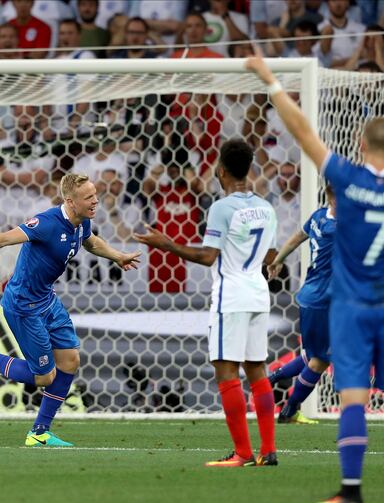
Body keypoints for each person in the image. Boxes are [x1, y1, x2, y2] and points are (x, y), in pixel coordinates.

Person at [247, 48, 384, 503]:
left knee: (351, 397)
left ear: (362, 146)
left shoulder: (346, 179)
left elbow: (303, 131)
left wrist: (270, 80)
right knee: (319, 361)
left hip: (351, 307)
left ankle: (350, 490)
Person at [0, 173, 141, 447]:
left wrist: (118, 256)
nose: (96, 201)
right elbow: (3, 238)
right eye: (89, 197)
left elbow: (91, 242)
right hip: (23, 305)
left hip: (47, 300)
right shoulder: (46, 223)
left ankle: (39, 432)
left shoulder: (81, 222)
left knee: (70, 361)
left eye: (95, 195)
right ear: (70, 202)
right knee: (44, 377)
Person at [135, 139, 279, 467]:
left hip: (232, 296)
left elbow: (207, 255)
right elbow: (270, 256)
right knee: (257, 369)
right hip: (259, 294)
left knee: (226, 370)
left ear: (221, 170)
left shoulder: (221, 208)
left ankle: (243, 452)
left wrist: (166, 244)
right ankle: (267, 450)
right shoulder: (266, 207)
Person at [267, 184, 336, 425]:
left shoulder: (318, 216)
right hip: (324, 300)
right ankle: (290, 410)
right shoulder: (339, 228)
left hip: (311, 295)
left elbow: (297, 237)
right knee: (321, 359)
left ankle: (271, 379)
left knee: (313, 354)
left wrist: (278, 259)